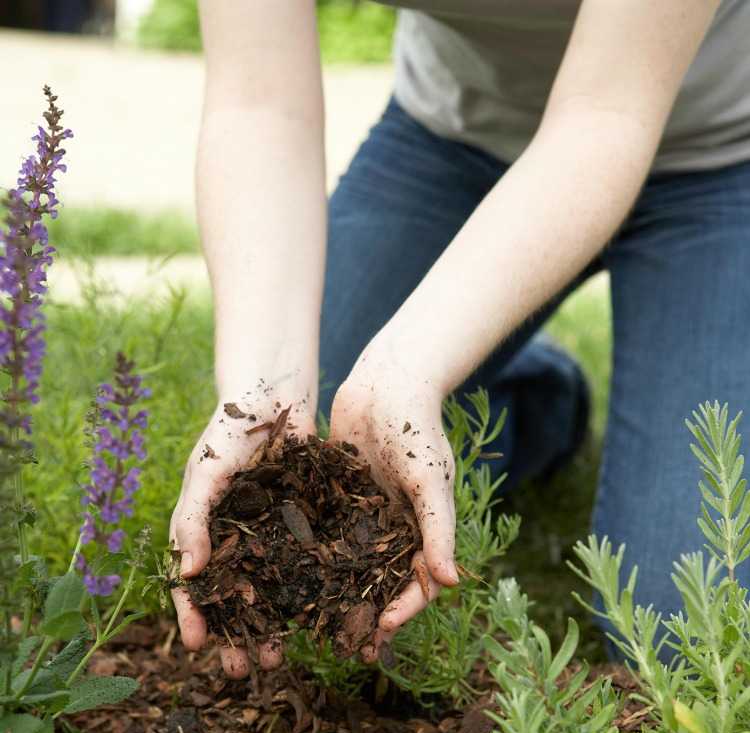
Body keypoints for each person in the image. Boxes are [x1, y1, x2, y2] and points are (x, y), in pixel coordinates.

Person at [170, 0, 750, 679]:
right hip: (456, 142)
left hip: (718, 156)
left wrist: (411, 361)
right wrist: (261, 384)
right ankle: (534, 401)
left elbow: (607, 111)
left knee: (687, 628)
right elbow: (257, 102)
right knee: (322, 426)